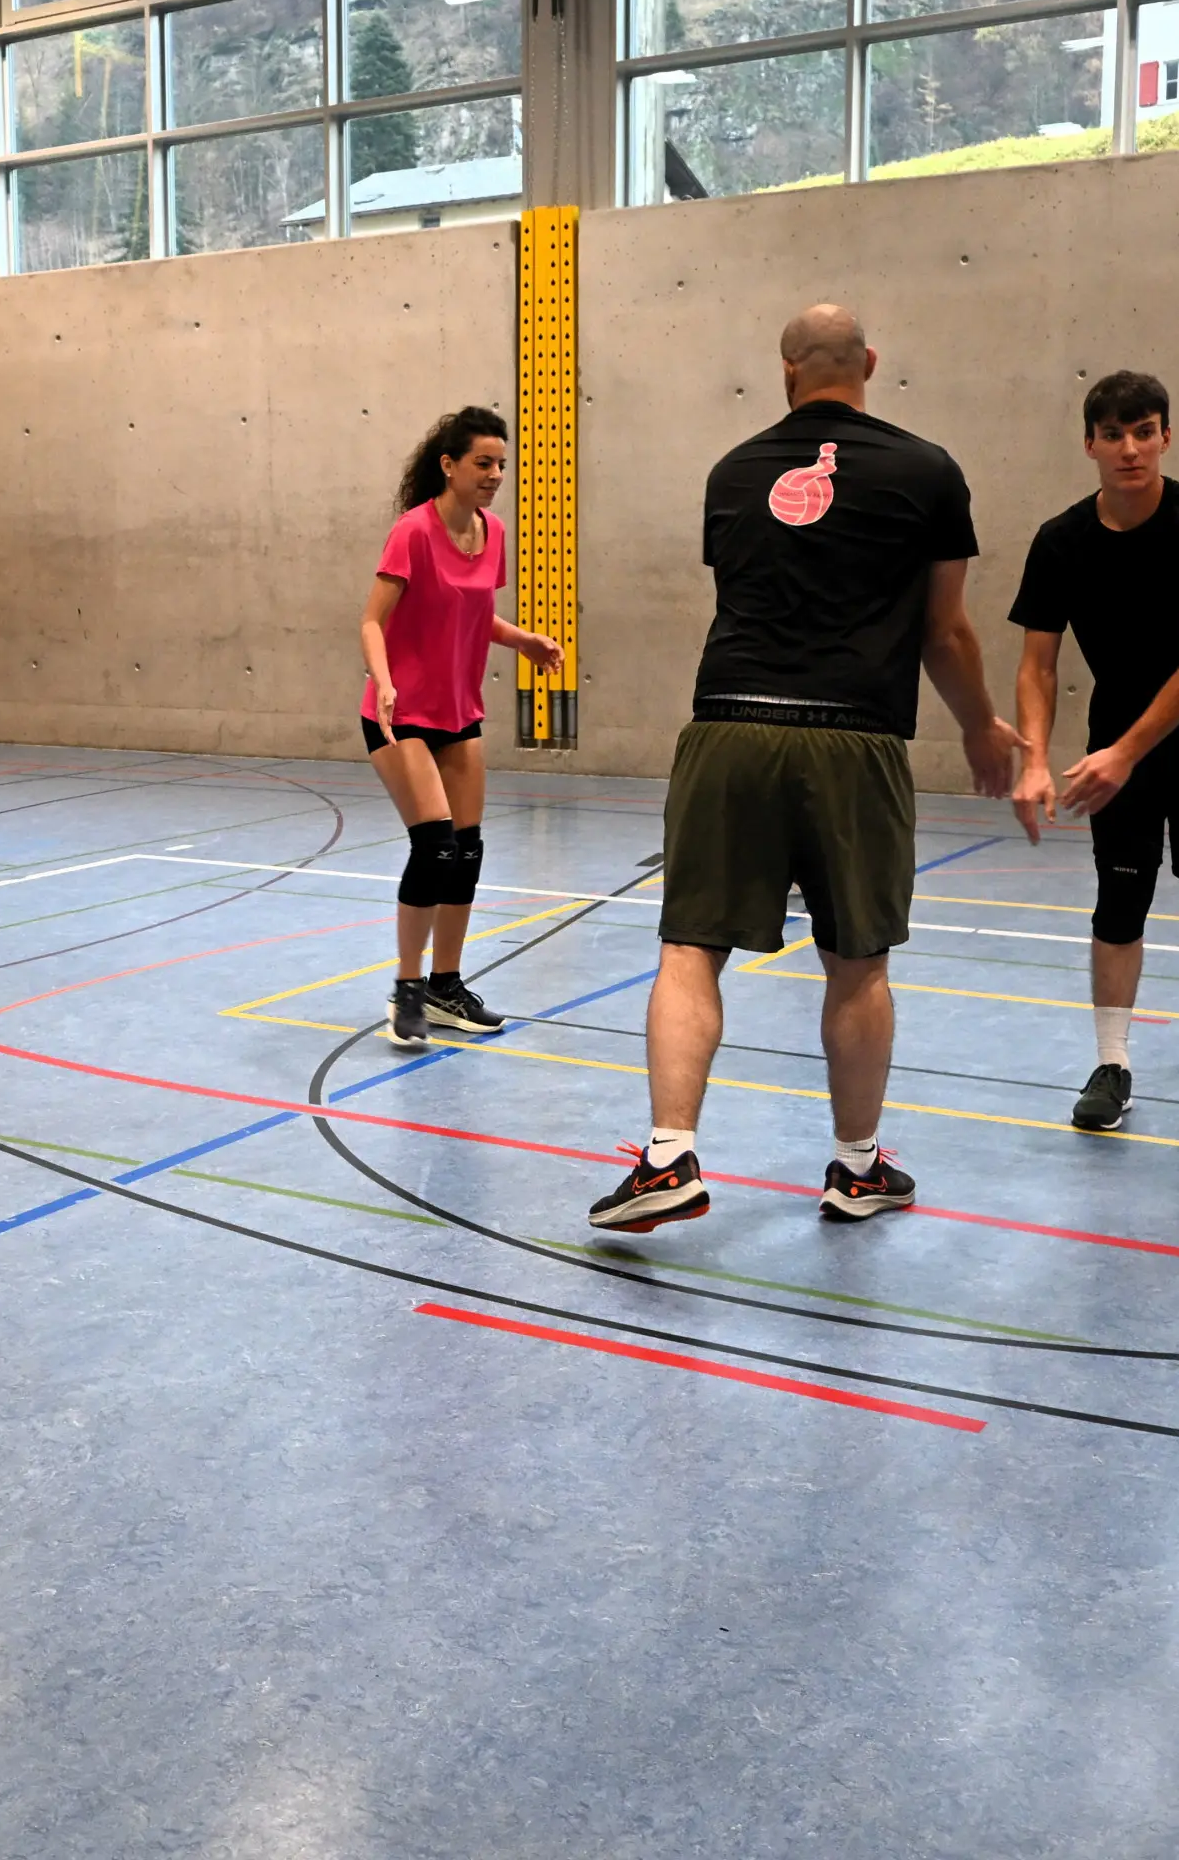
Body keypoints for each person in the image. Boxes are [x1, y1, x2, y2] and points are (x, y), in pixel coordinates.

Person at [591, 304, 1020, 1233]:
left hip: (729, 725)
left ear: (786, 369)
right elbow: (945, 630)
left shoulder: (731, 472)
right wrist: (983, 727)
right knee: (858, 966)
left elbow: (749, 594)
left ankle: (668, 1156)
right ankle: (858, 1168)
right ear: (869, 360)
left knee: (688, 948)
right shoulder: (927, 470)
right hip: (854, 737)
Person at [1008, 371, 1179, 1132]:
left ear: (1167, 435)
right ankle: (1113, 1062)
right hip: (1116, 752)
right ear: (1090, 443)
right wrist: (1035, 758)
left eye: (1145, 431)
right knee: (1120, 899)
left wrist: (1125, 751)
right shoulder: (1061, 541)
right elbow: (1036, 664)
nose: (1131, 449)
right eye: (1115, 435)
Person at [357, 405, 563, 1049]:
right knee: (435, 846)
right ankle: (409, 990)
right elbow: (372, 621)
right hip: (399, 714)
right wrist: (385, 678)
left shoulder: (492, 532)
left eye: (502, 464)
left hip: (458, 714)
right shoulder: (413, 532)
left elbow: (471, 616)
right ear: (449, 465)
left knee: (468, 853)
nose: (496, 474)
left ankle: (447, 987)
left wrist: (519, 638)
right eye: (483, 463)